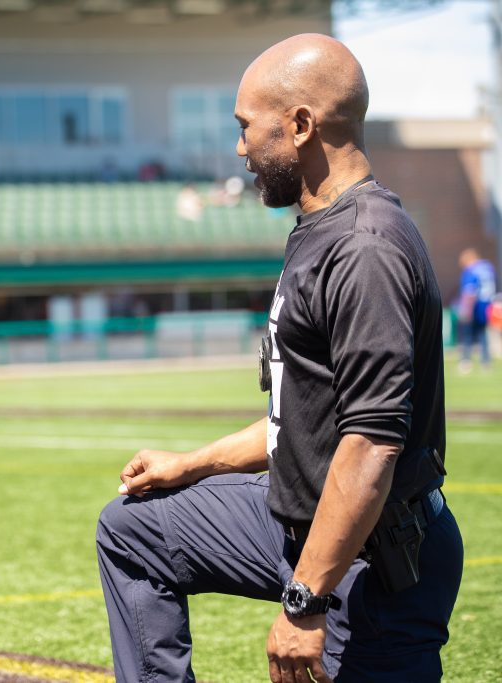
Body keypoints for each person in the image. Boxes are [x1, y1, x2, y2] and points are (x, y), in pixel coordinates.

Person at [96, 34, 463, 683]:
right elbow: (298, 422)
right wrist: (190, 464)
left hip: (372, 565)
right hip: (292, 527)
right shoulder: (316, 228)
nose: (239, 147)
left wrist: (303, 602)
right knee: (133, 529)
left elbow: (370, 445)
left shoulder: (364, 248)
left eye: (246, 127)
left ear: (300, 125)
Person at [455, 247, 497, 373]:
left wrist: (465, 310)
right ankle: (485, 361)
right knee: (482, 333)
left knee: (467, 333)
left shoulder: (471, 270)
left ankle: (466, 360)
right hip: (487, 305)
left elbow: (470, 291)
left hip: (475, 306)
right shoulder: (488, 268)